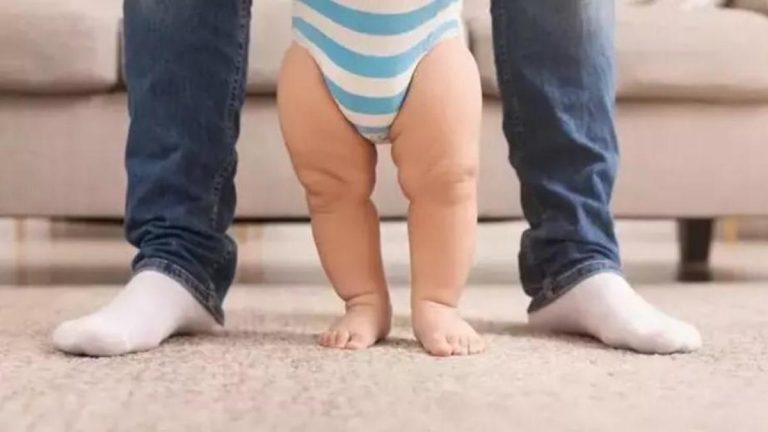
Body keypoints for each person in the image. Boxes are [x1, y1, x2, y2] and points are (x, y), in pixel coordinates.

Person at [52, 0, 702, 357]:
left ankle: (530, 273)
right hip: (321, 51)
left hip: (429, 43)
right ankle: (203, 266)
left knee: (447, 182)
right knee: (331, 190)